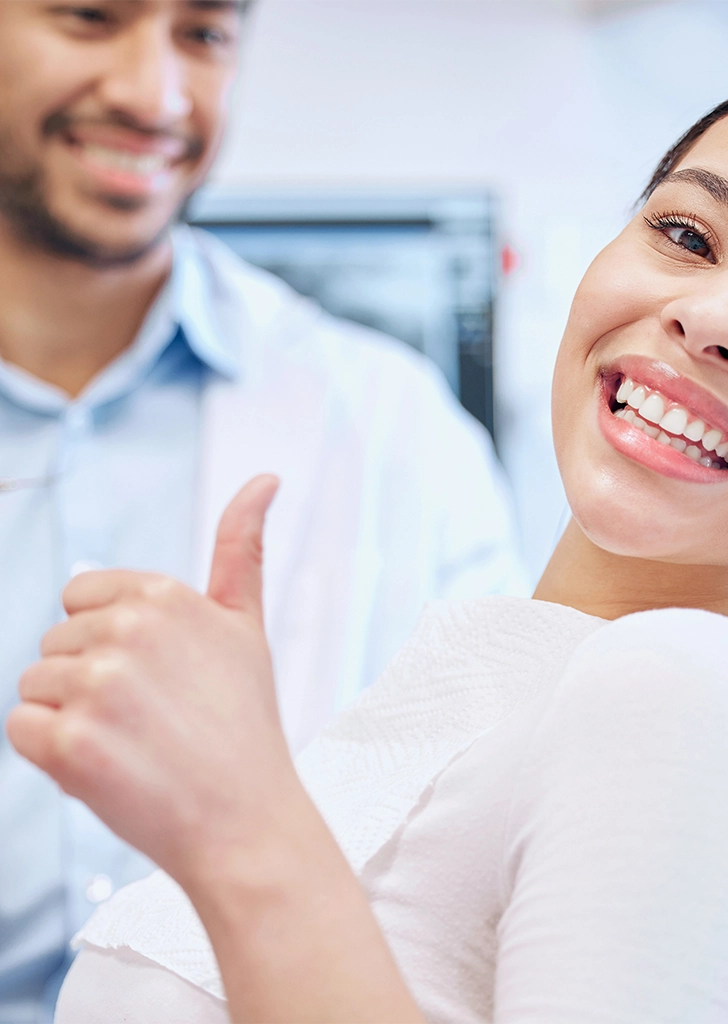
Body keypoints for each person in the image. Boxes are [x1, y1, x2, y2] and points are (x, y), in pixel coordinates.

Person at [10, 61, 728, 1023]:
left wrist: (240, 825)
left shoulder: (695, 694)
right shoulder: (487, 686)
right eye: (684, 232)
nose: (710, 318)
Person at [0, 1, 524, 1019]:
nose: (153, 96)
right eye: (90, 17)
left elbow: (480, 867)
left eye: (202, 35)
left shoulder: (396, 431)